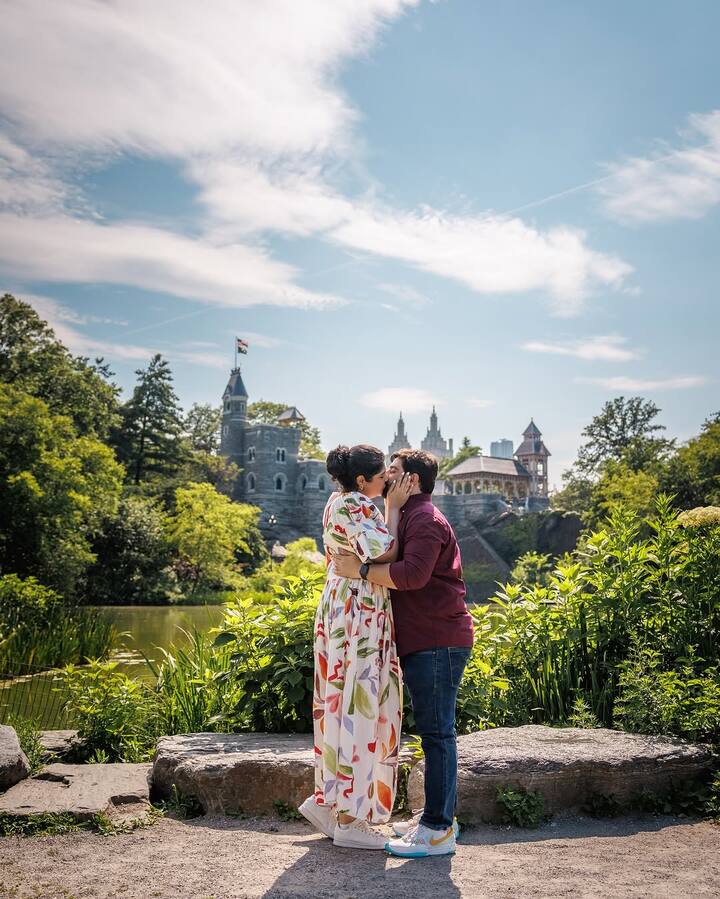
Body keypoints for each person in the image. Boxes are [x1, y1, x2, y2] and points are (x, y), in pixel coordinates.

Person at [334, 448, 474, 858]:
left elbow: (411, 576)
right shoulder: (409, 516)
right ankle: (438, 817)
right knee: (434, 732)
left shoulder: (426, 520)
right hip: (425, 639)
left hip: (438, 639)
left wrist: (357, 571)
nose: (385, 475)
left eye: (393, 471)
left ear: (412, 480)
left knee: (437, 734)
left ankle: (438, 831)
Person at [298, 444, 412, 850]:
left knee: (338, 698)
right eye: (381, 475)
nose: (387, 480)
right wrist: (394, 507)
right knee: (358, 701)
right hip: (359, 610)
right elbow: (387, 553)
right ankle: (350, 818)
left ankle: (328, 802)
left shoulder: (336, 502)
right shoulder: (360, 508)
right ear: (363, 480)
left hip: (340, 606)